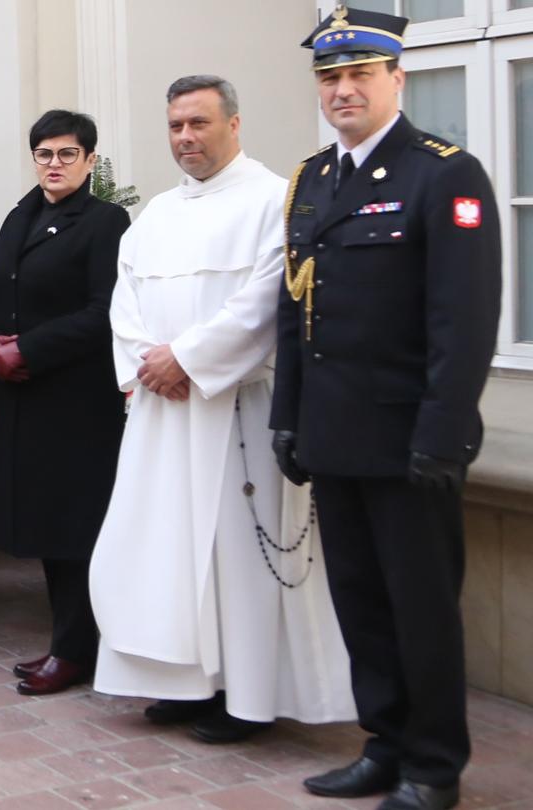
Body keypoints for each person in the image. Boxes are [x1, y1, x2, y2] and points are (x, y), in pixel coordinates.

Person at [276, 9, 501, 810]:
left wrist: (443, 432)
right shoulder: (313, 181)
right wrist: (287, 416)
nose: (342, 90)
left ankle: (434, 766)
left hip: (412, 441)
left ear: (395, 79)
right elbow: (295, 311)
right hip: (336, 435)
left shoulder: (444, 173)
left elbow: (464, 320)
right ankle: (386, 744)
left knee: (422, 612)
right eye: (330, 78)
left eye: (358, 75)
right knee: (362, 607)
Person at [90, 75, 355, 747]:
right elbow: (124, 303)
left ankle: (246, 697)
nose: (186, 137)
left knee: (234, 557)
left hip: (236, 406)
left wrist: (190, 360)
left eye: (199, 123)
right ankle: (185, 681)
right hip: (163, 412)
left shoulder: (272, 201)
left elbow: (269, 301)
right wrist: (149, 360)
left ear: (234, 125)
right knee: (167, 550)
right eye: (176, 125)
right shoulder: (155, 214)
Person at [0, 110, 130, 696]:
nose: (54, 164)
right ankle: (66, 642)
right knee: (44, 520)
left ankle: (76, 649)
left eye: (67, 154)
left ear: (89, 160)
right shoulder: (22, 214)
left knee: (75, 527)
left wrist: (29, 349)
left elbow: (103, 311)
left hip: (74, 399)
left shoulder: (105, 221)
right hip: (23, 394)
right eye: (44, 154)